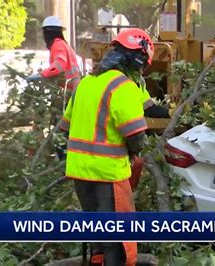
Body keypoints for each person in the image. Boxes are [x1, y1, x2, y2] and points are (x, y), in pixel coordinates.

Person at [60, 28, 155, 265]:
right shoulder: (123, 86)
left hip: (79, 173)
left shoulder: (86, 83)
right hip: (108, 175)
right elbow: (136, 135)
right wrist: (135, 152)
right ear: (139, 60)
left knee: (98, 233)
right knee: (118, 239)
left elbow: (65, 127)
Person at [27, 16, 81, 93]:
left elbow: (59, 65)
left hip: (70, 89)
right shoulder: (62, 44)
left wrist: (42, 75)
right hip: (72, 87)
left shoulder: (58, 44)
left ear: (47, 33)